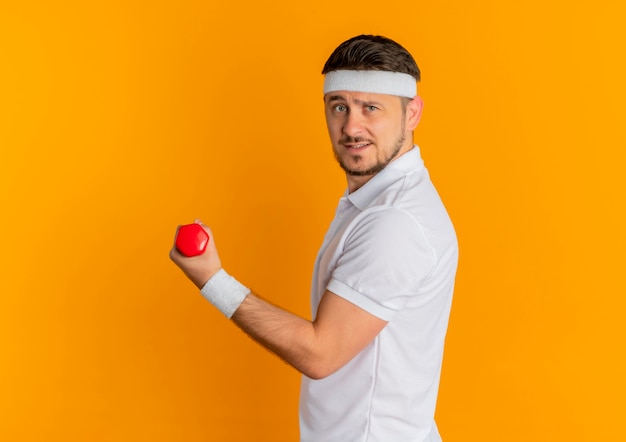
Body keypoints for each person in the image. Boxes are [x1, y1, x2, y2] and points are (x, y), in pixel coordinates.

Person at [170, 34, 458, 442]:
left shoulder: (394, 222)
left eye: (371, 108)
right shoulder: (375, 202)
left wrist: (211, 280)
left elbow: (320, 354)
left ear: (412, 113)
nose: (351, 126)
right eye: (339, 106)